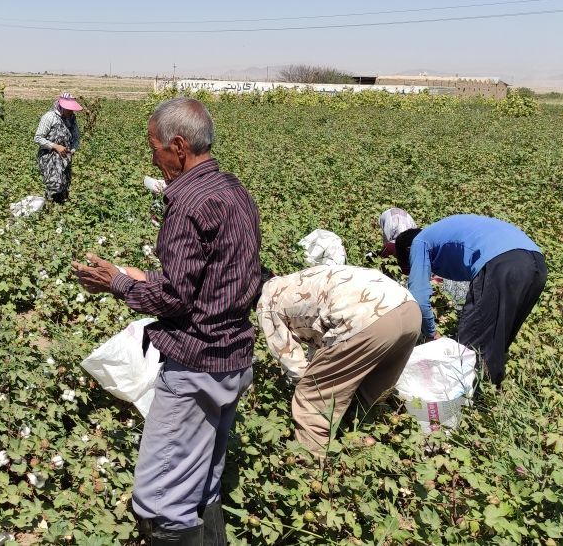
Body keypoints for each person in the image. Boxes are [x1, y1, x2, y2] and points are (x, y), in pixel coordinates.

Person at [73, 97, 261, 544]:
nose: (152, 157)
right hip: (234, 359)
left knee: (159, 500)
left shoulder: (187, 202)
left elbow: (178, 297)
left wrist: (116, 284)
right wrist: (147, 278)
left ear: (178, 145)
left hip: (197, 365)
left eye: (154, 147)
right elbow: (221, 276)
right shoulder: (234, 191)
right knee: (203, 484)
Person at [258, 265, 419, 453]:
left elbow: (295, 366)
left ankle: (311, 471)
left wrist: (312, 385)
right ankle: (365, 452)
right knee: (366, 397)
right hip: (408, 309)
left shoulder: (265, 303)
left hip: (365, 320)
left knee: (311, 399)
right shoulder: (297, 279)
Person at [393, 214, 547, 387]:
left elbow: (419, 297)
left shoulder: (419, 242)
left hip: (502, 263)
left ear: (408, 251)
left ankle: (465, 405)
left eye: (410, 268)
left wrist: (430, 334)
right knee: (496, 342)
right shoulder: (445, 235)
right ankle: (490, 398)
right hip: (537, 265)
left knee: (469, 351)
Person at [34, 92, 82, 203]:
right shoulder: (49, 117)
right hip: (49, 157)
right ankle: (49, 209)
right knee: (54, 185)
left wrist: (72, 149)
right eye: (68, 109)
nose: (71, 112)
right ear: (61, 106)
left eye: (72, 109)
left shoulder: (72, 118)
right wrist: (56, 146)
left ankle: (59, 211)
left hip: (65, 157)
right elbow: (38, 138)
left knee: (64, 185)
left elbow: (76, 138)